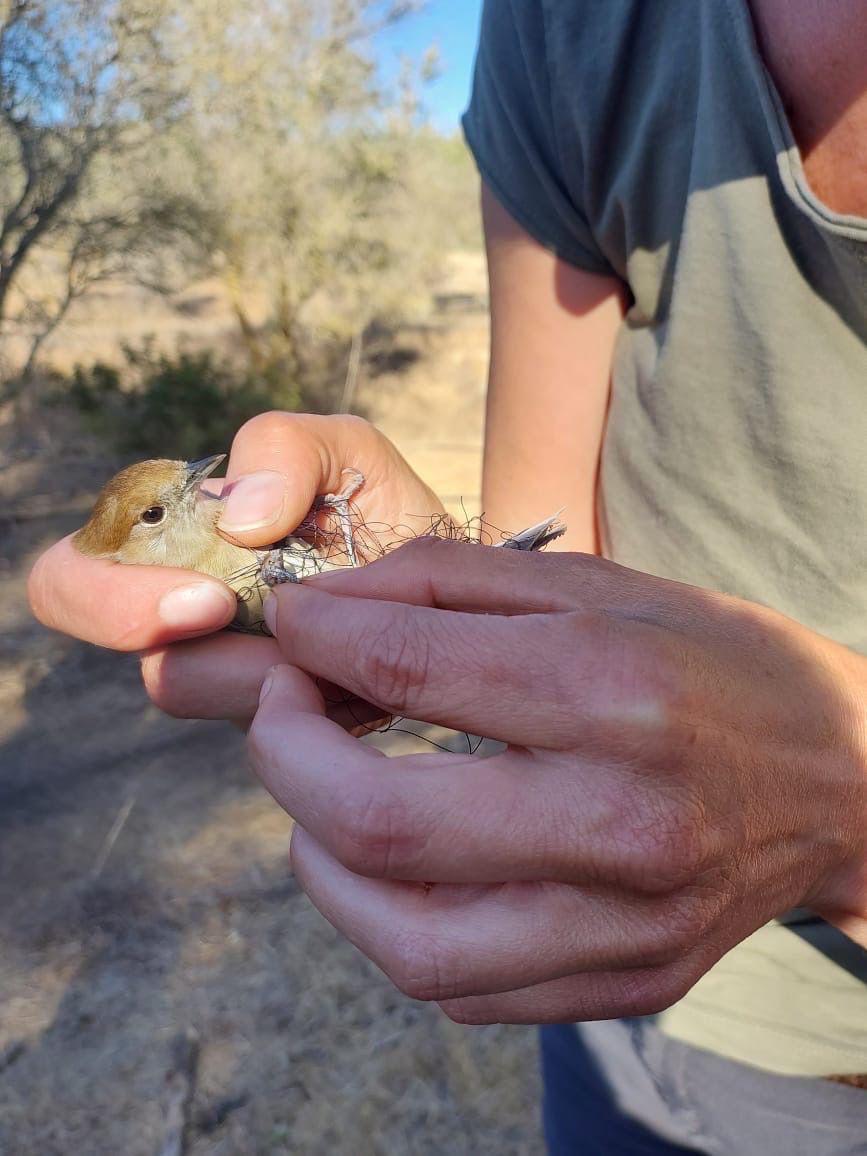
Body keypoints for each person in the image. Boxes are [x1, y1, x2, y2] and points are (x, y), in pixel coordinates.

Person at [29, 0, 867, 1150]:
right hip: (618, 983)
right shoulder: (571, 27)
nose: (213, 487)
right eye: (184, 496)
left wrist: (839, 810)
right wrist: (448, 605)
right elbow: (549, 526)